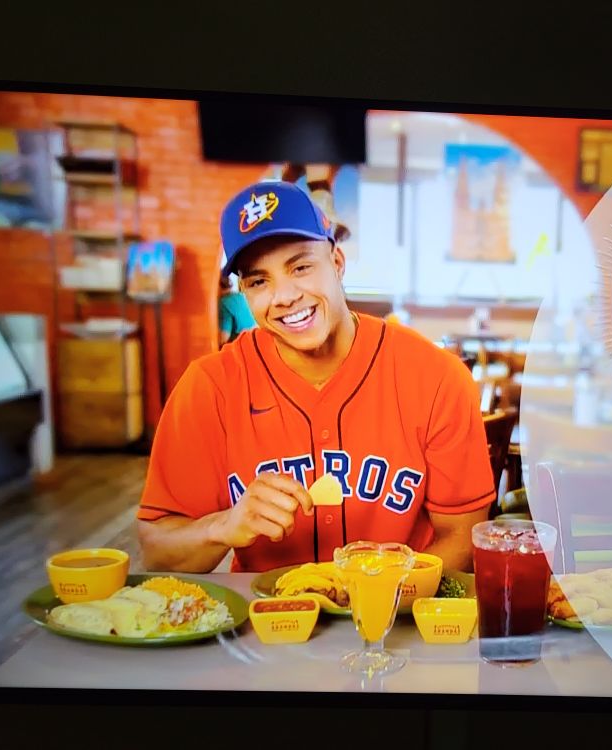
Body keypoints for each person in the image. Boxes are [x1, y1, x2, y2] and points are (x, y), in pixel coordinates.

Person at [137, 181, 495, 573]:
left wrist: (371, 599)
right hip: (265, 623)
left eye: (301, 267)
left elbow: (464, 536)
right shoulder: (210, 386)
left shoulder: (436, 377)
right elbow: (157, 550)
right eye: (260, 281)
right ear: (244, 291)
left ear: (337, 263)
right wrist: (221, 527)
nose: (285, 295)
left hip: (401, 622)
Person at [217, 271, 257, 347]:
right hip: (254, 339)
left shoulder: (224, 303)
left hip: (241, 345)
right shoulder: (241, 296)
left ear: (217, 287)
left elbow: (223, 338)